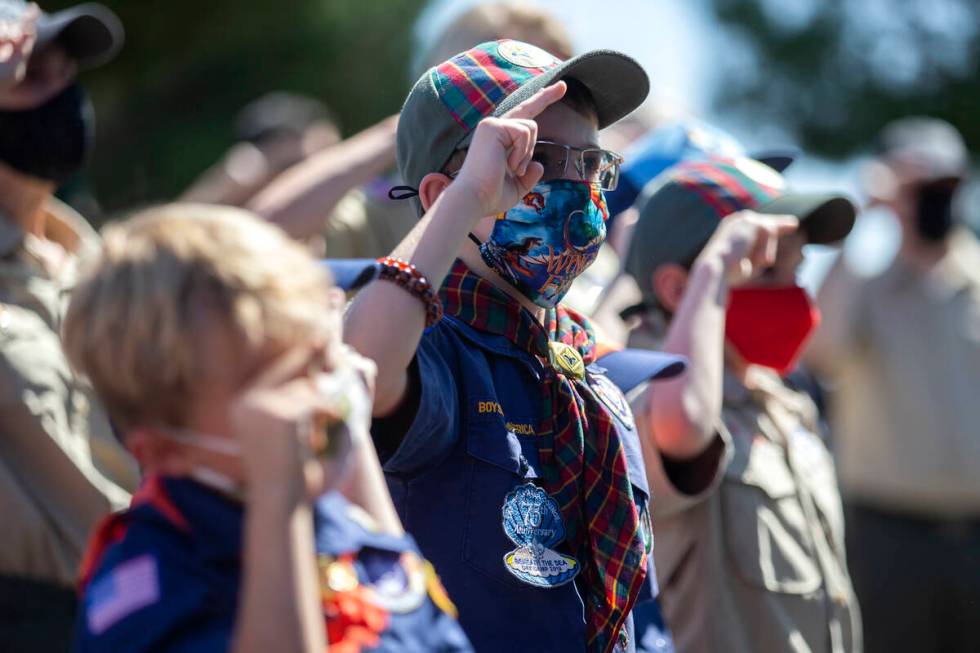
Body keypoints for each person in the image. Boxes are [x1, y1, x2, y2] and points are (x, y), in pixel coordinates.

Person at [345, 39, 689, 653]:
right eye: (531, 158)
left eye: (588, 163)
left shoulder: (591, 376)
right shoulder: (432, 351)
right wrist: (470, 198)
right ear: (441, 195)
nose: (575, 186)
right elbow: (355, 372)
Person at [67, 204, 473, 652]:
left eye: (318, 360)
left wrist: (348, 441)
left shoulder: (330, 512)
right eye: (283, 382)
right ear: (164, 450)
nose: (321, 396)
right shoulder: (146, 581)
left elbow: (424, 627)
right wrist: (280, 501)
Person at [622, 156, 862, 652]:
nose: (795, 294)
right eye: (767, 270)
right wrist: (715, 267)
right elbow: (685, 423)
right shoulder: (647, 391)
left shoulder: (782, 403)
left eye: (798, 269)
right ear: (677, 288)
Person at [807, 117, 980, 653]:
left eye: (943, 188)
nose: (933, 200)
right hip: (888, 538)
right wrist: (858, 217)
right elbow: (823, 353)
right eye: (918, 187)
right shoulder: (863, 289)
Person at [0, 2, 136, 650]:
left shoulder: (94, 262)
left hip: (161, 596)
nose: (61, 90)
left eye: (65, 69)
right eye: (29, 74)